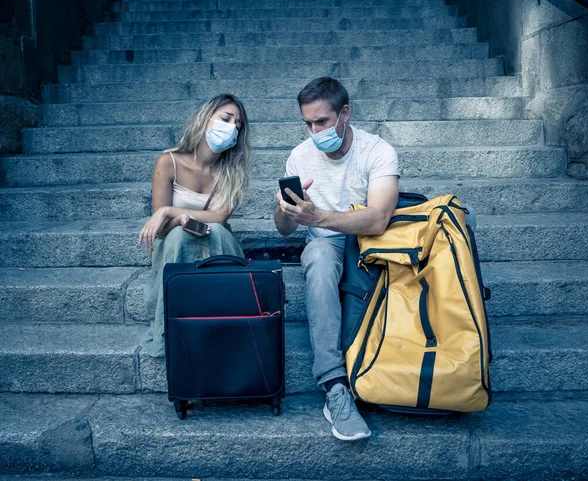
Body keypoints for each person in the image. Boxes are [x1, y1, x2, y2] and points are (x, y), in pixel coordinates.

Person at [274, 77, 400, 441]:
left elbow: (377, 219)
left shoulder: (378, 151)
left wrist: (319, 217)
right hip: (325, 247)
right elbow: (284, 230)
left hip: (371, 245)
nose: (315, 131)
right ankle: (334, 387)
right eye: (308, 124)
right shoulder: (300, 156)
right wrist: (285, 210)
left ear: (344, 114)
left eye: (322, 122)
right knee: (316, 252)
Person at [138, 94, 252, 358]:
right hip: (174, 244)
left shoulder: (232, 171)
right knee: (178, 235)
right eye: (226, 118)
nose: (232, 126)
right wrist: (179, 221)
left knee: (219, 231)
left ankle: (225, 323)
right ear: (205, 119)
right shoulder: (169, 162)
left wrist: (168, 211)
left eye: (238, 125)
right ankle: (174, 326)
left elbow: (220, 218)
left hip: (215, 241)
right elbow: (162, 230)